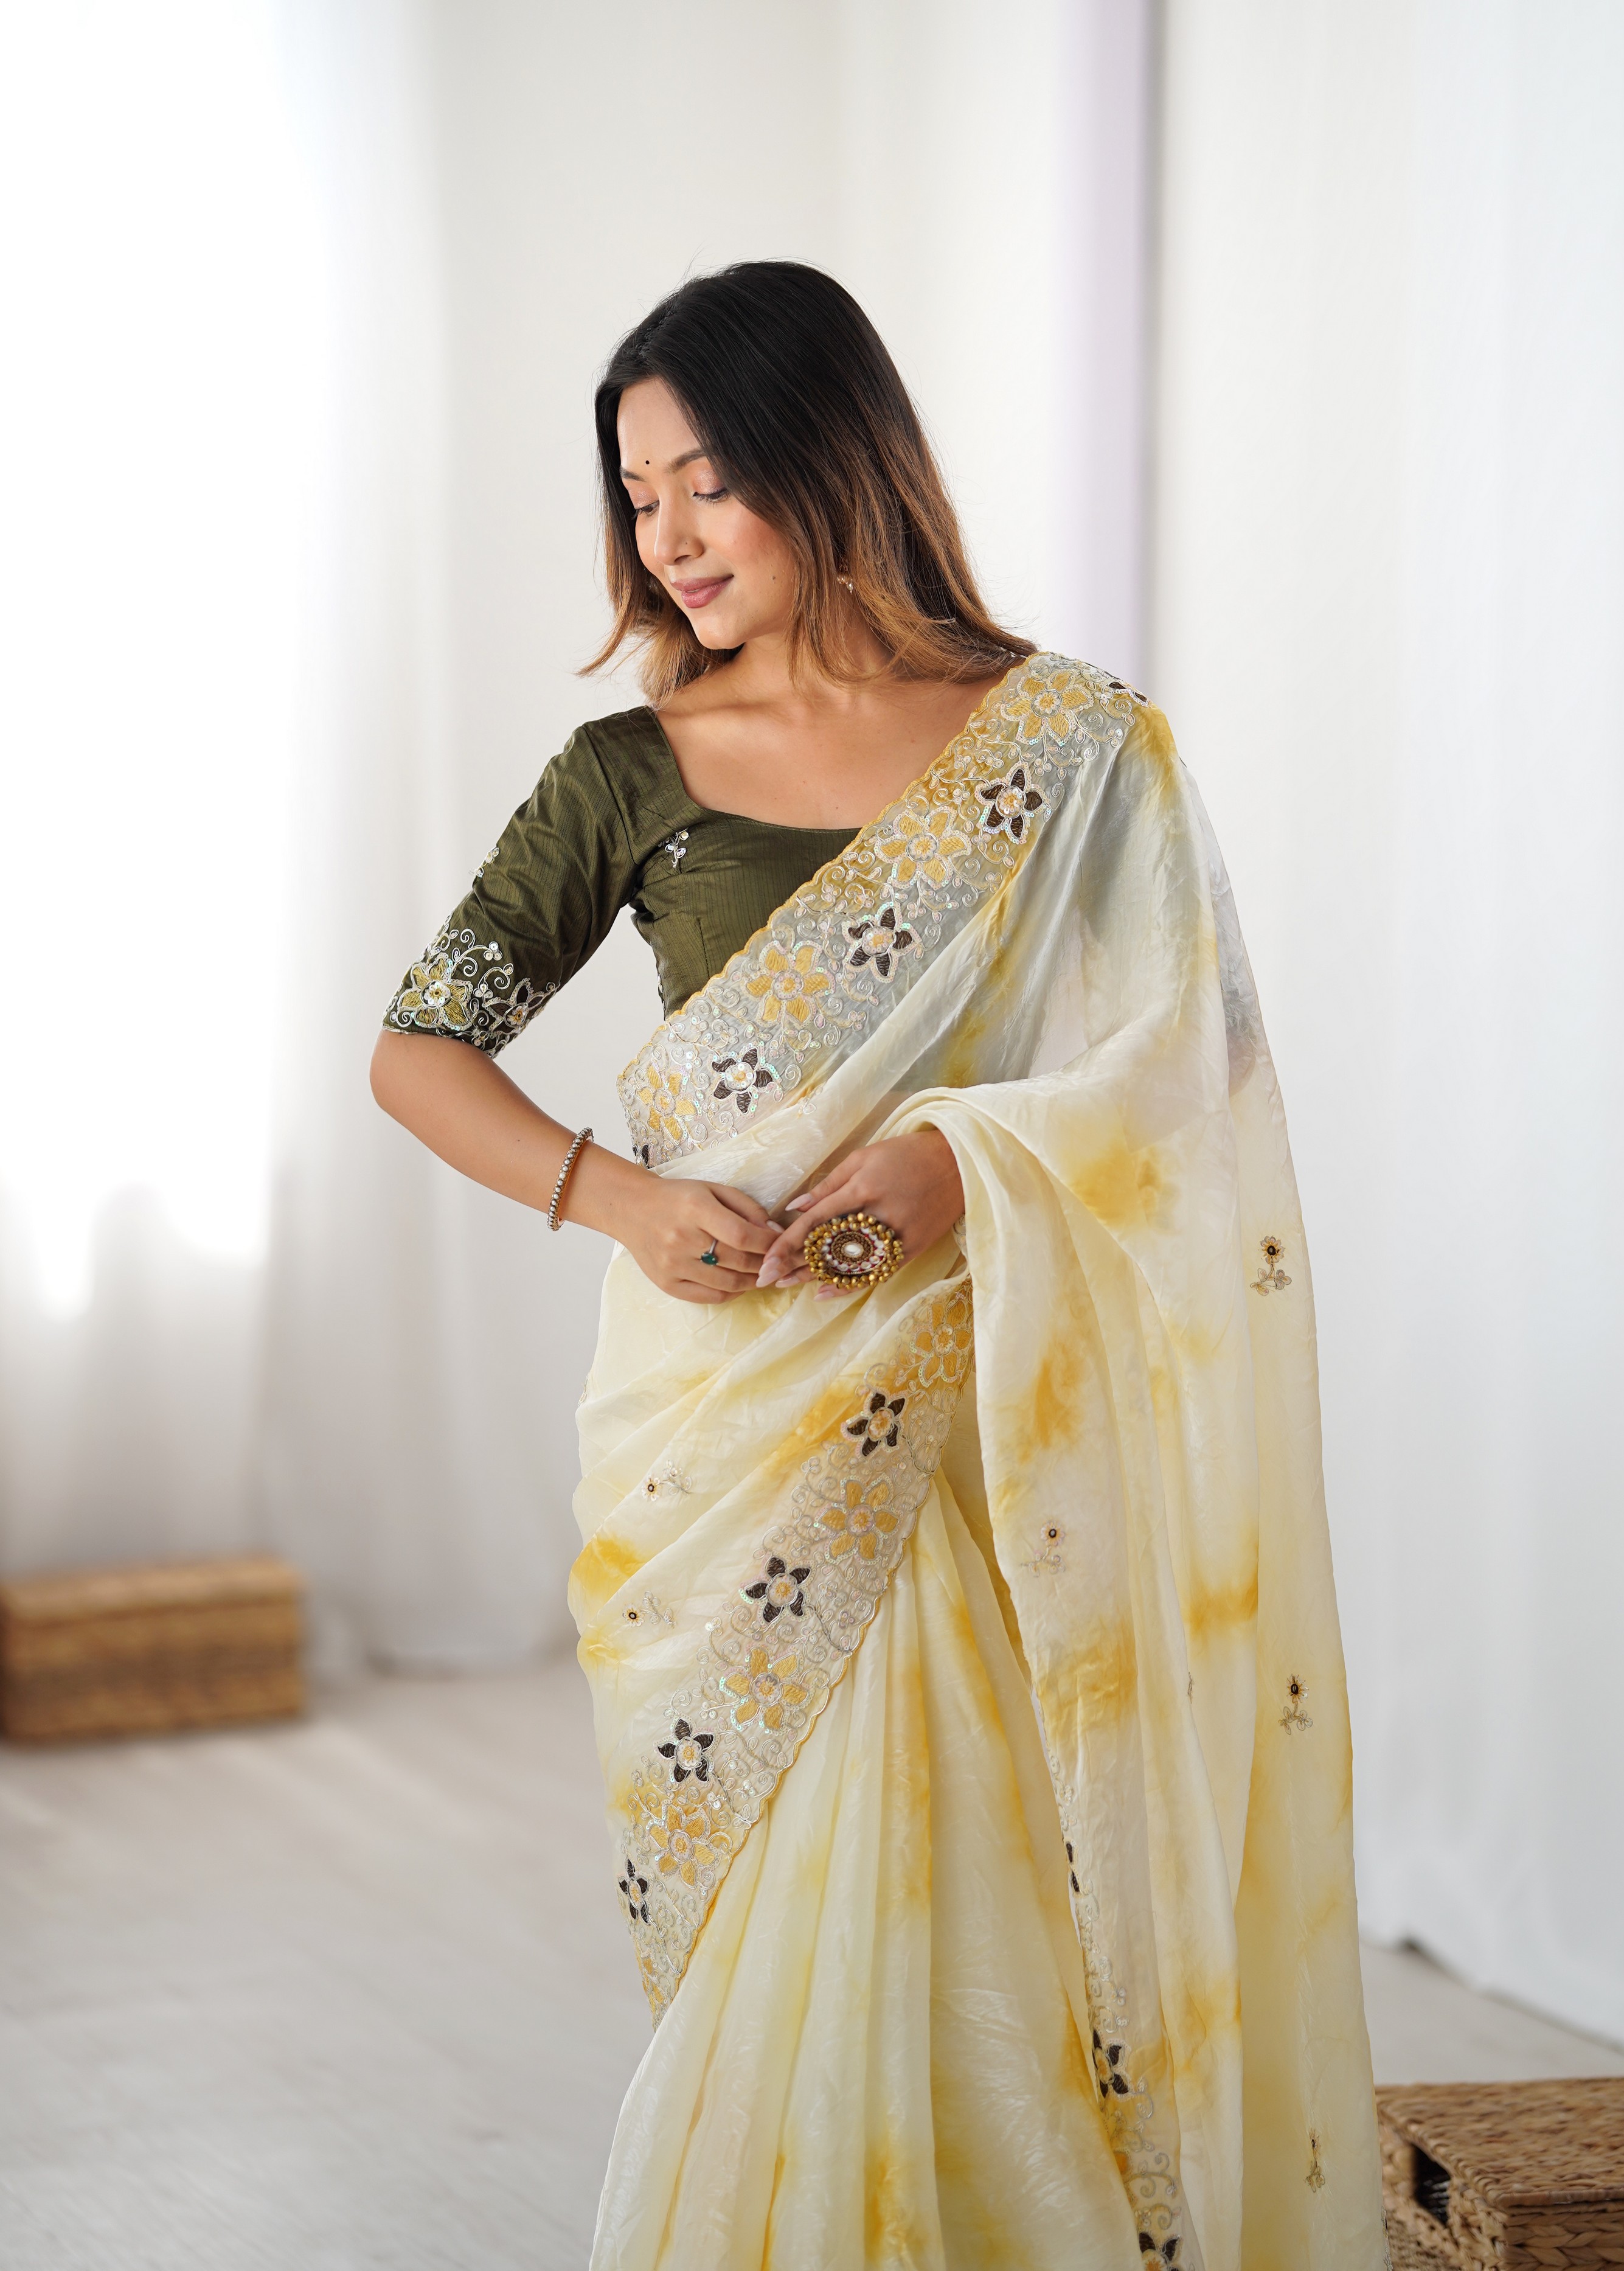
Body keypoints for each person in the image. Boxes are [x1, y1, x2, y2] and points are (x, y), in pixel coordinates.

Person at [371, 262, 1383, 2271]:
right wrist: (621, 1198)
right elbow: (419, 1052)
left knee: (1012, 1884)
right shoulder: (630, 772)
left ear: (835, 460)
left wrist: (958, 1163)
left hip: (997, 1413)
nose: (668, 535)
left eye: (708, 480)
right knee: (789, 1906)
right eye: (637, 495)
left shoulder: (1075, 751)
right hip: (726, 1424)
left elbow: (1192, 1073)